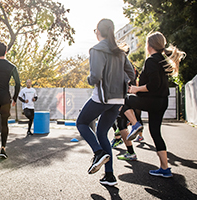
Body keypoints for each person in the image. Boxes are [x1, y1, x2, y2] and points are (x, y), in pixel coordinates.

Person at [75, 18, 135, 186]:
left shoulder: (96, 50)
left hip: (102, 97)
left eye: (95, 31)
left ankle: (98, 152)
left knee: (81, 122)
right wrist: (121, 87)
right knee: (102, 133)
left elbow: (95, 77)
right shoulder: (121, 52)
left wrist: (88, 78)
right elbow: (131, 74)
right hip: (118, 100)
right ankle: (110, 176)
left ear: (99, 32)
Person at [120, 31, 185, 178]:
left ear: (149, 45)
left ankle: (135, 124)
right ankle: (165, 168)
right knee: (155, 132)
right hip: (162, 101)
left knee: (123, 100)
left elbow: (154, 85)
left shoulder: (151, 61)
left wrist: (136, 89)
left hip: (152, 100)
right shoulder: (162, 60)